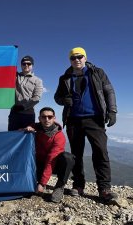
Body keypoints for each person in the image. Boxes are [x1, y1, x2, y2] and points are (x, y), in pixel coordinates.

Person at [54, 47, 118, 202]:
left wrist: (112, 111)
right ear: (70, 60)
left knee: (101, 151)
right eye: (73, 57)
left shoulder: (97, 72)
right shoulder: (65, 78)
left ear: (85, 58)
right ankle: (78, 185)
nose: (76, 59)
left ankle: (104, 188)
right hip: (73, 120)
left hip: (95, 118)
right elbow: (57, 97)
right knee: (76, 154)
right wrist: (64, 101)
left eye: (79, 56)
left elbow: (109, 91)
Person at [23, 107, 75, 203]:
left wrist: (42, 183)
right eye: (44, 117)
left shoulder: (59, 136)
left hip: (53, 164)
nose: (47, 119)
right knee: (30, 190)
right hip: (37, 163)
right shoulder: (34, 128)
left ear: (54, 118)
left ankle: (59, 187)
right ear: (39, 118)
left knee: (68, 158)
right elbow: (18, 135)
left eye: (50, 117)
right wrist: (25, 130)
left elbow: (51, 159)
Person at [8, 55, 43, 131]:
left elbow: (37, 98)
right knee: (12, 136)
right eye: (24, 64)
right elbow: (7, 69)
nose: (26, 65)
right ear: (21, 65)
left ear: (32, 65)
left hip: (28, 115)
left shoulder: (37, 80)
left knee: (25, 138)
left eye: (29, 64)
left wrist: (23, 107)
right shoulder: (15, 75)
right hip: (14, 113)